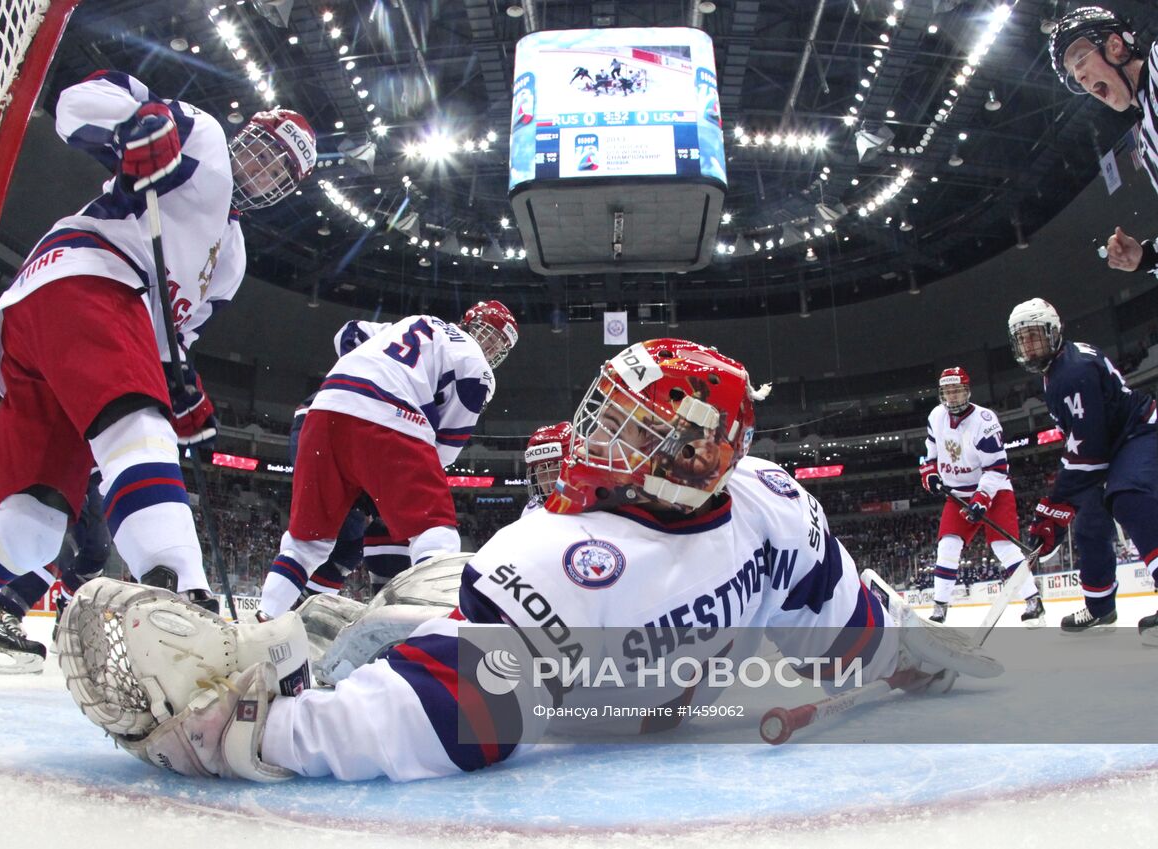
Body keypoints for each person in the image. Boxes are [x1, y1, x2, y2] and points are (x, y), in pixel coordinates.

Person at [60, 339, 1000, 782]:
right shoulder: (761, 498)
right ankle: (337, 639)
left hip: (577, 693)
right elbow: (852, 629)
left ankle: (319, 648)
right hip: (592, 687)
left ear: (696, 455)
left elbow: (457, 717)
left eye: (632, 431)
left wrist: (255, 740)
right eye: (606, 413)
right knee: (444, 598)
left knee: (439, 599)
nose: (596, 440)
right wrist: (919, 660)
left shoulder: (584, 555)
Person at [0, 71, 315, 614]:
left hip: (59, 327)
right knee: (139, 427)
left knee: (32, 529)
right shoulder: (205, 139)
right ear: (244, 137)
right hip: (85, 279)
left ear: (282, 190)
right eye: (262, 150)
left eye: (278, 169)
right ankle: (183, 599)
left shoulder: (230, 259)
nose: (262, 168)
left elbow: (172, 337)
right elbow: (80, 100)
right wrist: (133, 124)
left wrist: (181, 379)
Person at [258, 302, 519, 618]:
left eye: (498, 343)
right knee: (436, 530)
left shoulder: (419, 320)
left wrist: (369, 371)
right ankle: (437, 627)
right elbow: (444, 451)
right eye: (490, 336)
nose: (490, 346)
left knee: (306, 544)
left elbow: (349, 333)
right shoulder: (477, 367)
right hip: (388, 417)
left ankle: (264, 620)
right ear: (470, 325)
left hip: (325, 408)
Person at [1008, 298, 1158, 642]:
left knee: (1127, 497)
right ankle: (1100, 605)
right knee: (1090, 519)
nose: (1030, 347)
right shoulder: (1056, 370)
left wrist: (1054, 507)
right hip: (1110, 442)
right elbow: (1083, 443)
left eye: (1036, 337)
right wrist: (1059, 509)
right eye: (1023, 340)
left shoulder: (1071, 372)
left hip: (1136, 432)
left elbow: (1088, 451)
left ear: (1054, 332)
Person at [918, 367, 1044, 625]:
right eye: (947, 391)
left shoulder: (985, 420)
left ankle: (1033, 601)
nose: (951, 396)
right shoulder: (936, 415)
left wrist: (982, 499)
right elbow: (929, 454)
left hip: (993, 490)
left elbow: (997, 469)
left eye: (956, 390)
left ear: (967, 391)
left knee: (1004, 547)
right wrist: (929, 473)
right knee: (947, 547)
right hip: (956, 494)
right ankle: (939, 609)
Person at [1048, 7, 1158, 276]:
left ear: (1116, 46)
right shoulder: (1146, 140)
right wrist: (1147, 258)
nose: (1080, 78)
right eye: (1073, 76)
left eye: (1080, 60)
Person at [0, 472, 111, 673]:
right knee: (63, 531)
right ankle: (3, 613)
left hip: (101, 466)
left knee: (97, 550)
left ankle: (67, 623)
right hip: (73, 457)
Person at [521, 421, 572, 516]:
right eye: (543, 468)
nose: (551, 479)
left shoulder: (597, 509)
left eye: (560, 468)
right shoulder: (531, 512)